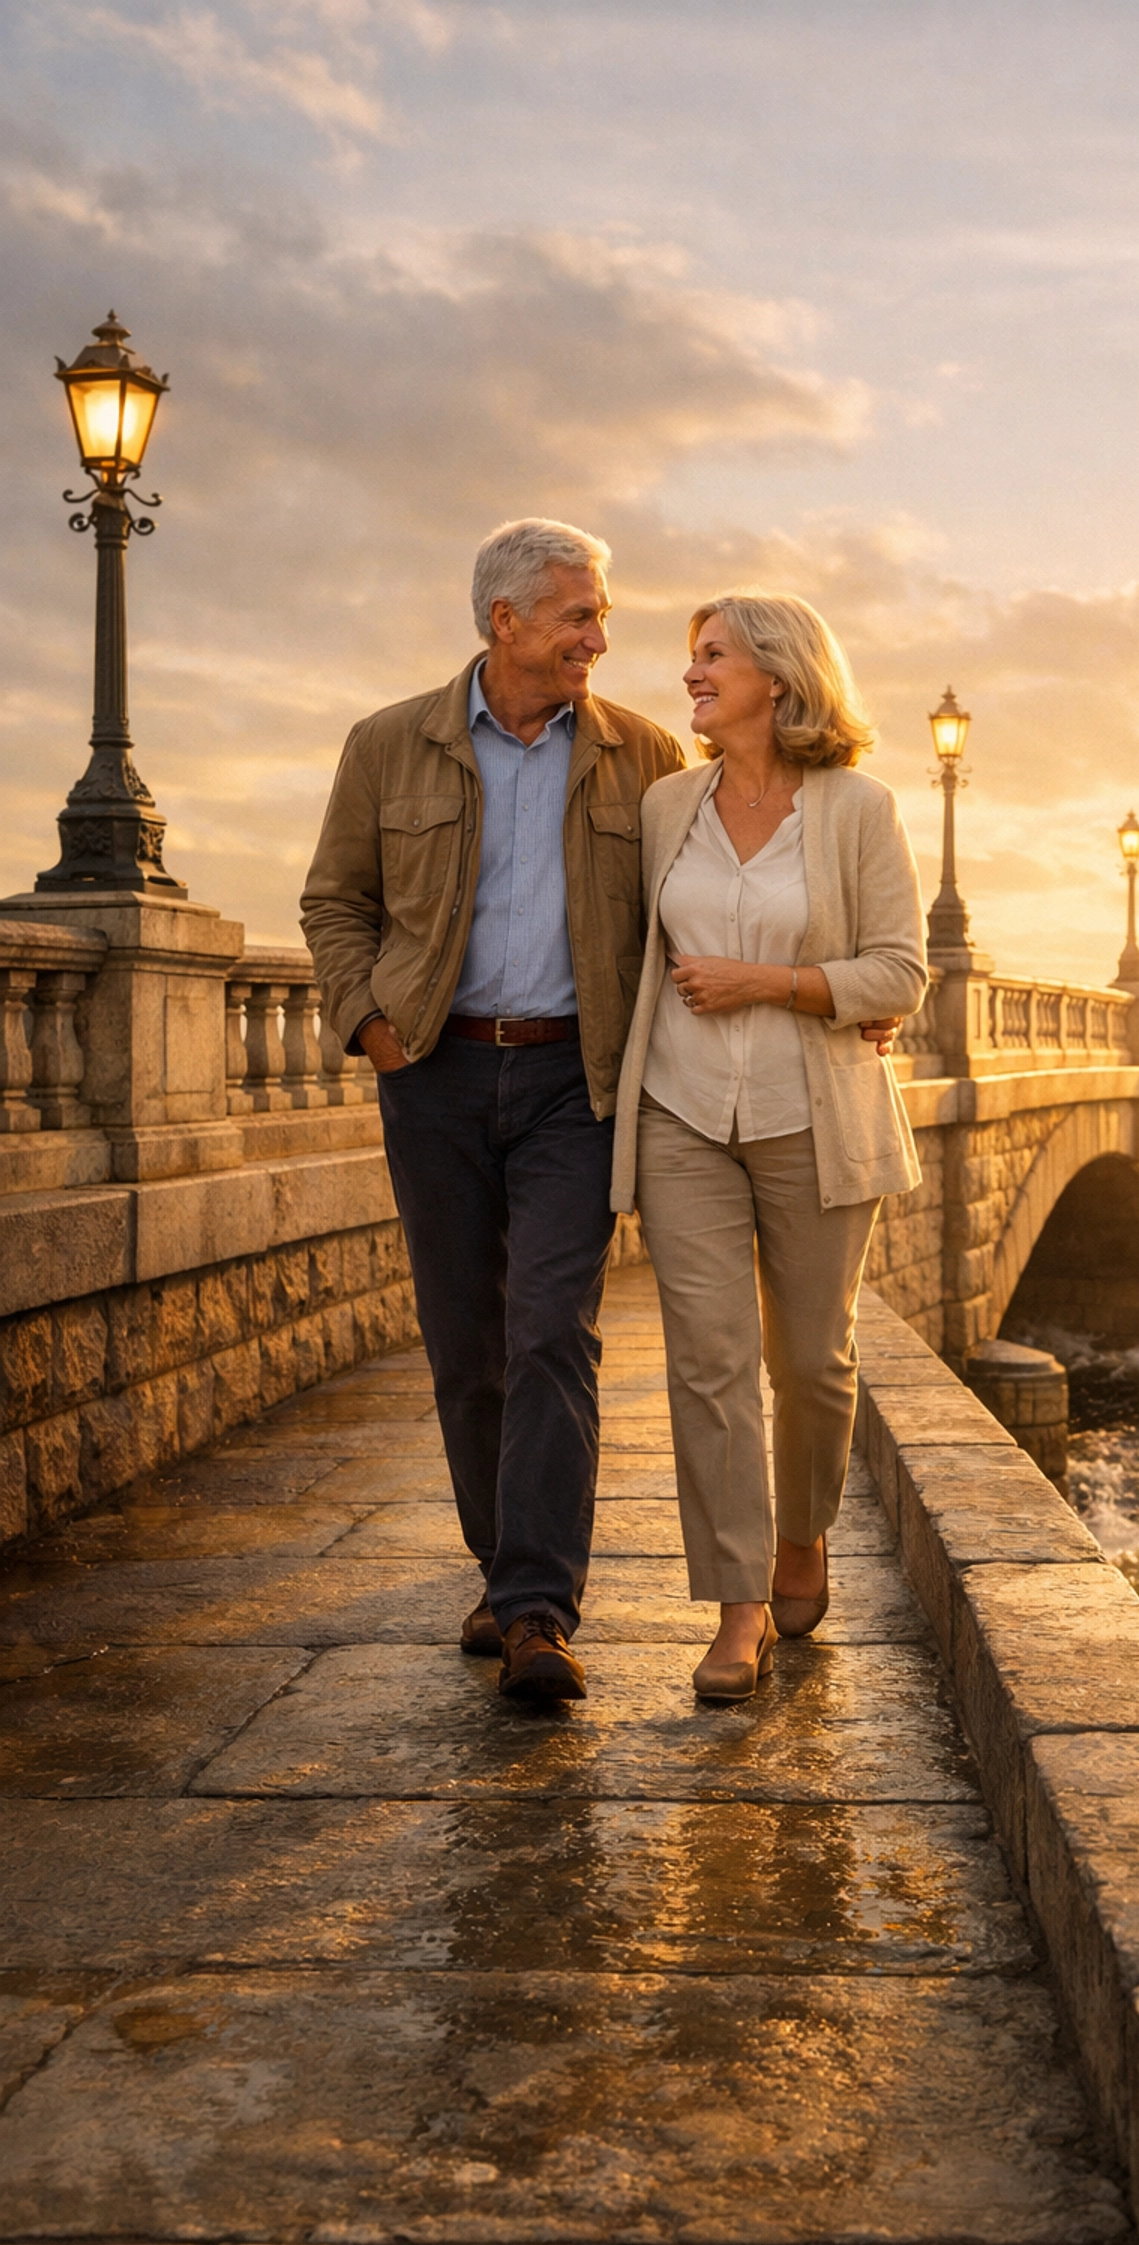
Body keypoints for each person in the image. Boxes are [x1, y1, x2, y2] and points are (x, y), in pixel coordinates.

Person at [301, 517, 687, 1703]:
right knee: (466, 1342)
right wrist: (371, 1026)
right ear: (503, 620)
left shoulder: (649, 755)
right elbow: (335, 903)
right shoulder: (387, 745)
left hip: (579, 1080)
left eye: (602, 613)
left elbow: (704, 908)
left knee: (551, 1332)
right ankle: (498, 1568)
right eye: (578, 614)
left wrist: (837, 989)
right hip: (438, 1073)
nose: (600, 637)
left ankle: (535, 1610)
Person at [610, 592, 928, 1700]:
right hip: (681, 1113)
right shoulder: (664, 806)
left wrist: (778, 985)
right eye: (690, 658)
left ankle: (804, 1535)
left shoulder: (859, 809)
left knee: (809, 1362)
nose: (691, 675)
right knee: (707, 1360)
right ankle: (738, 1606)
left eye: (711, 657)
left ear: (778, 678)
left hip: (814, 1118)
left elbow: (900, 972)